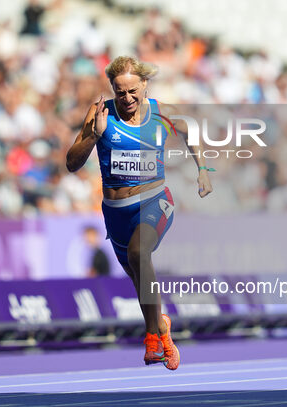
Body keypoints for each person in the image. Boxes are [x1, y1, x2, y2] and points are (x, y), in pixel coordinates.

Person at [66, 56, 212, 370]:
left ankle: (151, 339)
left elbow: (189, 131)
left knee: (138, 252)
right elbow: (71, 163)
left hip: (155, 201)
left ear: (144, 85)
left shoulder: (160, 113)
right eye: (121, 93)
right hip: (115, 213)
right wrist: (94, 135)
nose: (128, 98)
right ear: (112, 90)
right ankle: (161, 327)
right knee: (140, 278)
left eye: (133, 91)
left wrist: (203, 170)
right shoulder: (100, 113)